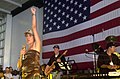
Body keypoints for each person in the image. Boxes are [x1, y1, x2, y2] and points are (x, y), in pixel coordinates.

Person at [17, 7, 41, 79]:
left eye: (30, 36)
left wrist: (33, 14)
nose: (28, 38)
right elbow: (19, 66)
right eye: (26, 36)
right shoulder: (26, 50)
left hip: (34, 75)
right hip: (25, 76)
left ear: (34, 37)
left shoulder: (36, 45)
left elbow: (34, 27)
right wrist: (21, 55)